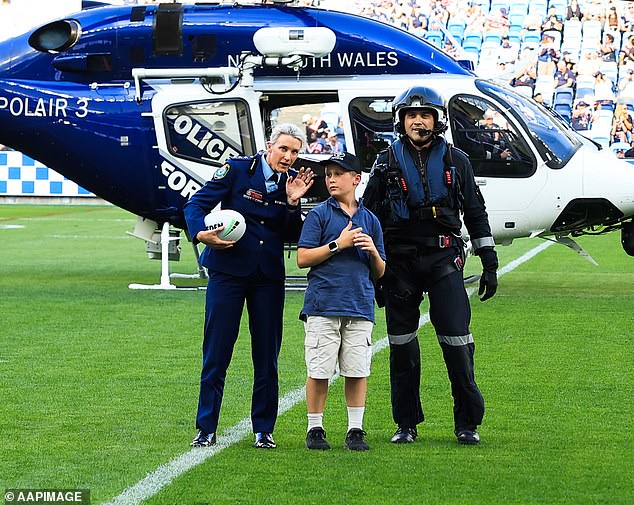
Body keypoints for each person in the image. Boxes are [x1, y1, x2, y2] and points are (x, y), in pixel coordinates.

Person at [363, 87, 498, 446]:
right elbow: (368, 216)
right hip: (399, 265)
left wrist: (490, 262)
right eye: (411, 115)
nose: (418, 121)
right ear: (401, 121)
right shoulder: (384, 162)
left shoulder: (458, 161)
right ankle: (406, 424)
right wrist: (374, 271)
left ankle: (466, 423)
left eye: (425, 115)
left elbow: (475, 212)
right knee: (402, 345)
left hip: (443, 259)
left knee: (457, 341)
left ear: (437, 121)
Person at [185, 123, 314, 449]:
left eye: (295, 151)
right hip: (227, 272)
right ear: (269, 146)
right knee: (216, 351)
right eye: (284, 149)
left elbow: (291, 234)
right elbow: (195, 205)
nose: (288, 156)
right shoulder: (238, 169)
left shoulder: (292, 184)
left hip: (268, 278)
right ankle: (205, 428)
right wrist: (201, 233)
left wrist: (292, 204)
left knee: (267, 355)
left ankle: (264, 429)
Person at [297, 151, 386, 452]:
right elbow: (302, 258)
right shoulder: (319, 214)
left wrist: (373, 251)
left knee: (357, 369)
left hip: (360, 305)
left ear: (356, 179)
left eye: (338, 174)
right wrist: (338, 244)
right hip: (323, 304)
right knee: (319, 370)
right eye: (328, 175)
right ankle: (315, 428)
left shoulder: (370, 219)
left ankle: (355, 430)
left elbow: (380, 270)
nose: (331, 179)